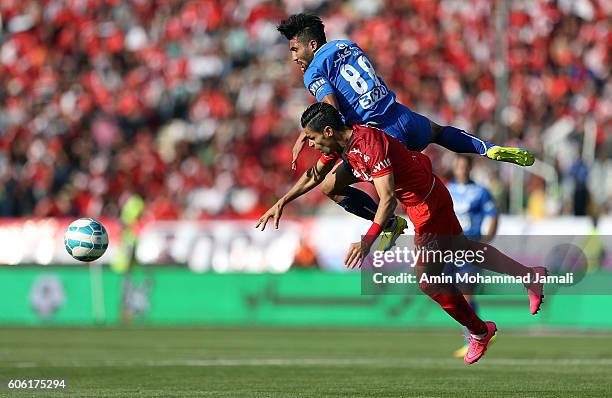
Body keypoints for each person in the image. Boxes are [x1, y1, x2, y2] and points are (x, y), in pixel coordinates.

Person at [256, 103, 546, 365]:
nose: (313, 145)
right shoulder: (343, 146)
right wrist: (282, 201)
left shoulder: (368, 145)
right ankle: (529, 275)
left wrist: (368, 240)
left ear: (329, 131)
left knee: (428, 281)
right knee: (463, 249)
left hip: (425, 206)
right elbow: (316, 176)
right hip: (429, 191)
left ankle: (480, 331)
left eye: (313, 138)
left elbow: (387, 200)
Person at [275, 14, 534, 251]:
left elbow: (329, 106)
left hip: (381, 135)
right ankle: (489, 149)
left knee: (331, 185)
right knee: (439, 132)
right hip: (400, 115)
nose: (294, 57)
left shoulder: (313, 72)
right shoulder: (346, 45)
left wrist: (308, 132)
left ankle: (390, 225)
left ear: (311, 45)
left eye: (295, 49)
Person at [445, 155, 499, 358]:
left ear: (469, 169)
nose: (462, 170)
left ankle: (475, 337)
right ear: (455, 168)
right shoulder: (448, 189)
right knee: (456, 296)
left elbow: (493, 216)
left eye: (465, 166)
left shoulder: (481, 192)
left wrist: (485, 242)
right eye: (459, 166)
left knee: (466, 295)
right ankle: (479, 332)